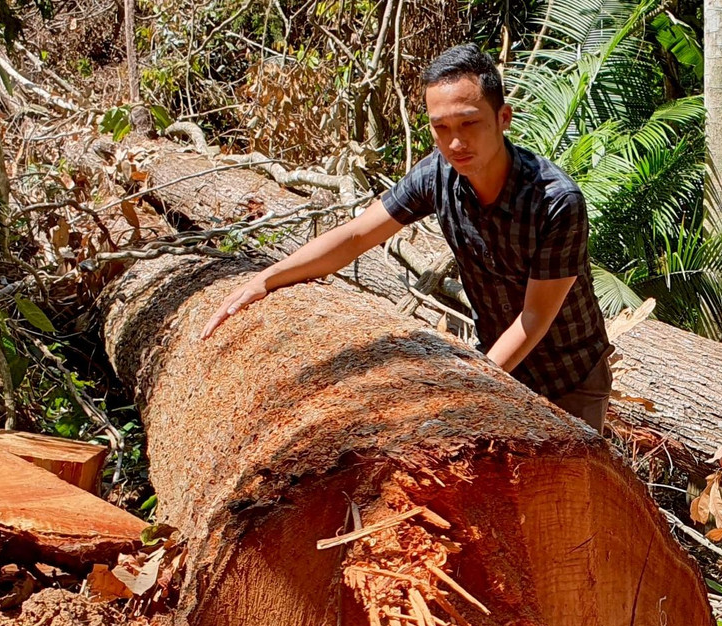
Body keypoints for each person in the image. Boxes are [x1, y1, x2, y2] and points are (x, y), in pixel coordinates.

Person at [201, 44, 613, 432]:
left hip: (568, 377)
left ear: (503, 117)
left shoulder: (555, 201)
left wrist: (476, 383)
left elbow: (534, 318)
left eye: (470, 123)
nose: (455, 142)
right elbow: (357, 234)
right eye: (441, 127)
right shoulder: (438, 173)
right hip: (493, 360)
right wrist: (266, 279)